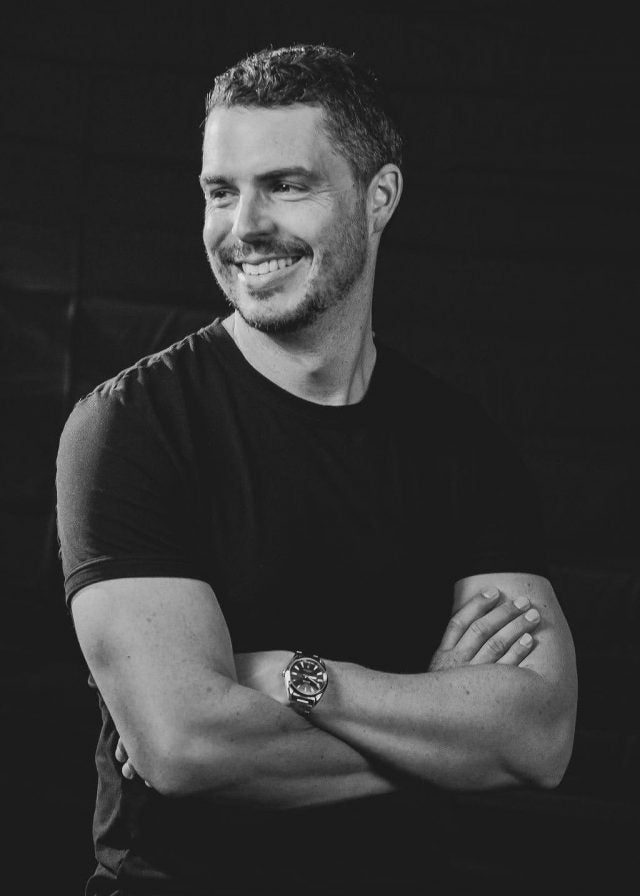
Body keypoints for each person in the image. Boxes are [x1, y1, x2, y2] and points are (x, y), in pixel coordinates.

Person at [56, 44, 577, 895]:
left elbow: (540, 737)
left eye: (287, 185)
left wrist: (298, 679)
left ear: (380, 197)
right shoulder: (131, 428)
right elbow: (185, 746)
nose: (244, 226)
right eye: (220, 192)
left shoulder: (462, 445)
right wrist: (448, 735)